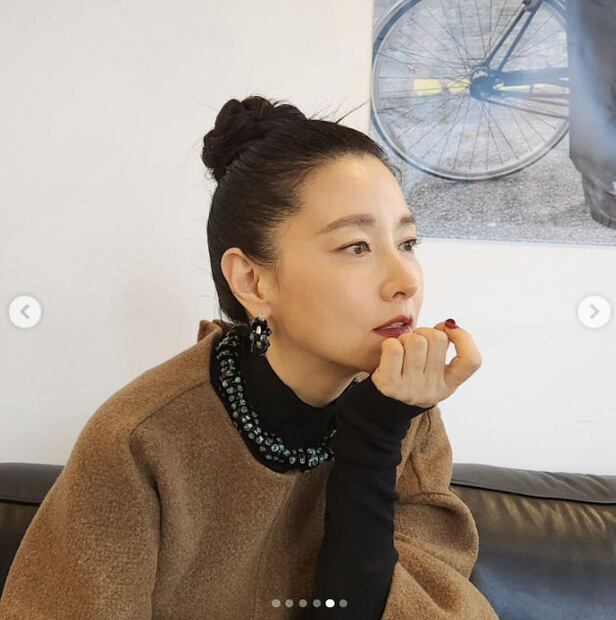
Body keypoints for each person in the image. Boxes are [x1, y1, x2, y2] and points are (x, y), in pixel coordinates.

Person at [0, 95, 499, 619]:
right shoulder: (141, 441)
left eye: (408, 242)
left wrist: (375, 434)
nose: (406, 281)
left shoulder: (404, 412)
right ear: (252, 281)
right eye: (357, 246)